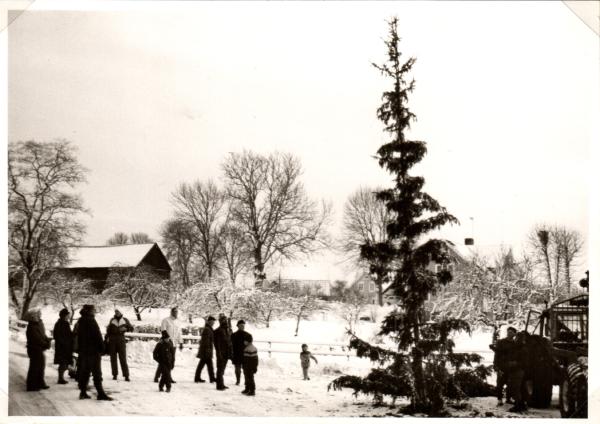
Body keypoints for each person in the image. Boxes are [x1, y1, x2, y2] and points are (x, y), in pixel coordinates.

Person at [76, 304, 113, 401]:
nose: (95, 311)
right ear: (89, 311)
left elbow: (79, 337)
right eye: (93, 310)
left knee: (85, 372)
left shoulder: (81, 320)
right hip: (93, 351)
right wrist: (102, 348)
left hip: (84, 351)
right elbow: (97, 336)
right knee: (97, 373)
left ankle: (83, 392)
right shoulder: (90, 320)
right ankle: (100, 394)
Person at [490, 326, 517, 406]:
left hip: (511, 367)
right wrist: (495, 365)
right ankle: (499, 399)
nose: (509, 334)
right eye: (508, 332)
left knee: (511, 383)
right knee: (500, 383)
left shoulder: (515, 344)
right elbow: (497, 354)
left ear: (514, 334)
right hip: (501, 366)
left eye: (511, 332)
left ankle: (508, 399)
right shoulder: (501, 342)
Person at [25, 309, 51, 391]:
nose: (40, 315)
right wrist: (45, 343)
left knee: (41, 366)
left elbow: (42, 335)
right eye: (38, 314)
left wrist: (47, 340)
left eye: (40, 313)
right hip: (34, 349)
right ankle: (32, 385)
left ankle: (40, 383)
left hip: (39, 348)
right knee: (34, 367)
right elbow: (36, 338)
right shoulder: (32, 326)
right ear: (33, 316)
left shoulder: (39, 323)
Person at [155, 307, 183, 383]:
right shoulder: (166, 320)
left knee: (171, 361)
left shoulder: (178, 322)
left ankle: (166, 376)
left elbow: (179, 333)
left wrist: (181, 342)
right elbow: (163, 330)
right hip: (166, 344)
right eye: (174, 312)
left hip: (174, 344)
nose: (176, 313)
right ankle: (162, 377)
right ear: (171, 312)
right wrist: (166, 340)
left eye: (177, 312)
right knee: (165, 361)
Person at [106, 308, 133, 381]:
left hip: (121, 340)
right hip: (112, 340)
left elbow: (131, 328)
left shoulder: (125, 320)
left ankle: (126, 375)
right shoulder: (112, 320)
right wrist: (106, 339)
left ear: (121, 312)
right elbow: (108, 330)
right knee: (113, 359)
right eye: (115, 311)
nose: (116, 313)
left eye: (118, 311)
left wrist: (126, 328)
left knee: (123, 358)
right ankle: (114, 374)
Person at [505, 330, 528, 413]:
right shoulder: (517, 347)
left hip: (518, 370)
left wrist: (514, 363)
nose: (516, 339)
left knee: (515, 388)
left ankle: (517, 406)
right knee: (518, 388)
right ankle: (521, 404)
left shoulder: (523, 349)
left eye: (517, 338)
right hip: (515, 370)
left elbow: (524, 362)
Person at [53, 308, 73, 384]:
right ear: (64, 315)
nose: (69, 316)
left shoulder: (62, 323)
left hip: (64, 346)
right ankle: (60, 378)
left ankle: (61, 378)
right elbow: (57, 335)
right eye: (68, 315)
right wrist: (65, 343)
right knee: (63, 363)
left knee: (64, 363)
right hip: (63, 347)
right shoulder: (61, 324)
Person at [213, 314, 233, 390]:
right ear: (220, 321)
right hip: (221, 353)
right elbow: (217, 344)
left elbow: (229, 342)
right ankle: (219, 385)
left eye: (226, 320)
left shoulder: (227, 330)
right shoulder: (218, 331)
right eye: (223, 320)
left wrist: (230, 352)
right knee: (220, 369)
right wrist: (219, 353)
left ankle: (221, 383)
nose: (225, 322)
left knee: (222, 369)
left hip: (226, 353)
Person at [195, 316, 216, 383]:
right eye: (212, 321)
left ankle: (198, 377)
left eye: (213, 321)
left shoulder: (209, 328)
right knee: (207, 365)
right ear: (209, 321)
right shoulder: (207, 329)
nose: (213, 323)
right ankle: (211, 378)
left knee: (203, 364)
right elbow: (206, 341)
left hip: (206, 349)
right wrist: (207, 350)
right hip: (206, 350)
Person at [231, 319, 251, 386]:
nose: (242, 326)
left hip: (245, 354)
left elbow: (250, 345)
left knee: (246, 369)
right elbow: (231, 346)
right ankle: (238, 381)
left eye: (243, 325)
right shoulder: (233, 335)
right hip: (237, 354)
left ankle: (246, 381)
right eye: (241, 325)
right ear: (238, 326)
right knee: (237, 369)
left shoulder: (248, 335)